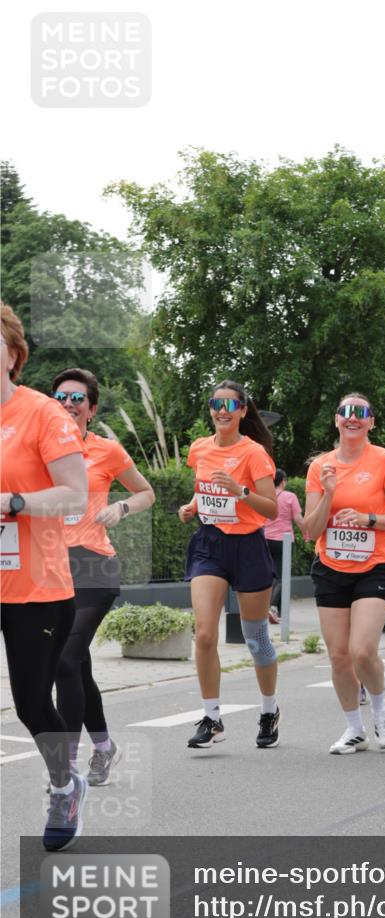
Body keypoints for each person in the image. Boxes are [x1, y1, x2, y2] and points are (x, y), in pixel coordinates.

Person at [0, 302, 89, 850]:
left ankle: (64, 783)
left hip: (34, 585)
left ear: (13, 355)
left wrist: (14, 500)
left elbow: (75, 495)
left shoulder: (43, 414)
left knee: (32, 703)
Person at [51, 369, 155, 785]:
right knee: (78, 668)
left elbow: (146, 491)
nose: (69, 403)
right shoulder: (39, 452)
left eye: (78, 399)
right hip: (52, 571)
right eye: (62, 396)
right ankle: (104, 748)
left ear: (91, 410)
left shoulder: (107, 451)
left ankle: (67, 768)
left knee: (63, 661)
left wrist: (122, 509)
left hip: (94, 568)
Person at [304, 393, 385, 754]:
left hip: (373, 565)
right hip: (331, 566)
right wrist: (329, 495)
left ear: (371, 422)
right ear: (336, 420)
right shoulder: (321, 466)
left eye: (360, 413)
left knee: (362, 651)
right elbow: (309, 530)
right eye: (345, 412)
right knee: (338, 656)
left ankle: (381, 708)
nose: (352, 418)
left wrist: (368, 519)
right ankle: (354, 728)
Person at [179, 380, 280, 750]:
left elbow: (270, 508)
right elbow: (203, 487)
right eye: (215, 404)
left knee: (256, 641)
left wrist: (239, 490)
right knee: (205, 634)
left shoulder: (253, 453)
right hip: (209, 544)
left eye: (229, 404)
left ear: (241, 410)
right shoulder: (200, 448)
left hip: (248, 545)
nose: (222, 410)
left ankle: (269, 710)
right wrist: (193, 505)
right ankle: (212, 717)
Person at [263, 469, 305, 624]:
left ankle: (278, 613)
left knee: (270, 574)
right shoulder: (290, 497)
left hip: (265, 539)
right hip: (284, 542)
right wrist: (307, 534)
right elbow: (299, 519)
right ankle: (272, 607)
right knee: (282, 576)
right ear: (283, 481)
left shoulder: (264, 497)